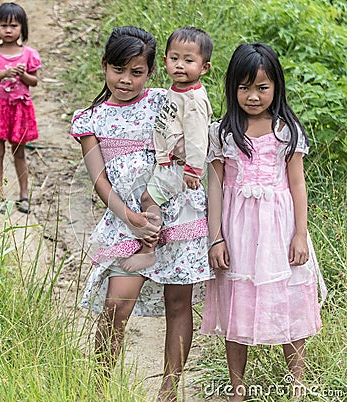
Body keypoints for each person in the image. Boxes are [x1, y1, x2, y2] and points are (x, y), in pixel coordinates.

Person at [70, 26, 214, 402]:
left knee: (178, 303)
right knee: (117, 304)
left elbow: (192, 134)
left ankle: (169, 391)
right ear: (104, 66)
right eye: (119, 69)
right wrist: (129, 217)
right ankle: (99, 386)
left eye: (137, 72)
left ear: (151, 72)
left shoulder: (163, 101)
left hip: (178, 212)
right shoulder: (91, 119)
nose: (126, 80)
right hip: (127, 220)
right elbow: (99, 179)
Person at [200, 42, 327, 401]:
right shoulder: (222, 132)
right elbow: (216, 188)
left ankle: (297, 385)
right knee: (237, 302)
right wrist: (216, 237)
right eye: (244, 88)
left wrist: (300, 235)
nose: (253, 96)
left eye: (262, 87)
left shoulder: (287, 130)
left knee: (288, 301)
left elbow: (297, 184)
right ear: (231, 88)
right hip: (237, 232)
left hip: (279, 229)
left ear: (276, 87)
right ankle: (237, 389)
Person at [120, 26, 213, 272]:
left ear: (204, 67)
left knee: (148, 198)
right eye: (174, 59)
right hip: (169, 161)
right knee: (150, 198)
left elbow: (197, 138)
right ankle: (153, 243)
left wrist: (193, 170)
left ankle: (149, 250)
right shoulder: (177, 90)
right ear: (165, 61)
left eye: (189, 60)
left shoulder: (193, 100)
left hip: (179, 166)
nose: (180, 65)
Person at [0, 2, 41, 214]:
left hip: (20, 109)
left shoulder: (29, 54)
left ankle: (24, 195)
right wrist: (5, 74)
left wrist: (22, 74)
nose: (8, 30)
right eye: (3, 25)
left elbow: (34, 82)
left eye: (13, 25)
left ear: (22, 28)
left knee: (19, 153)